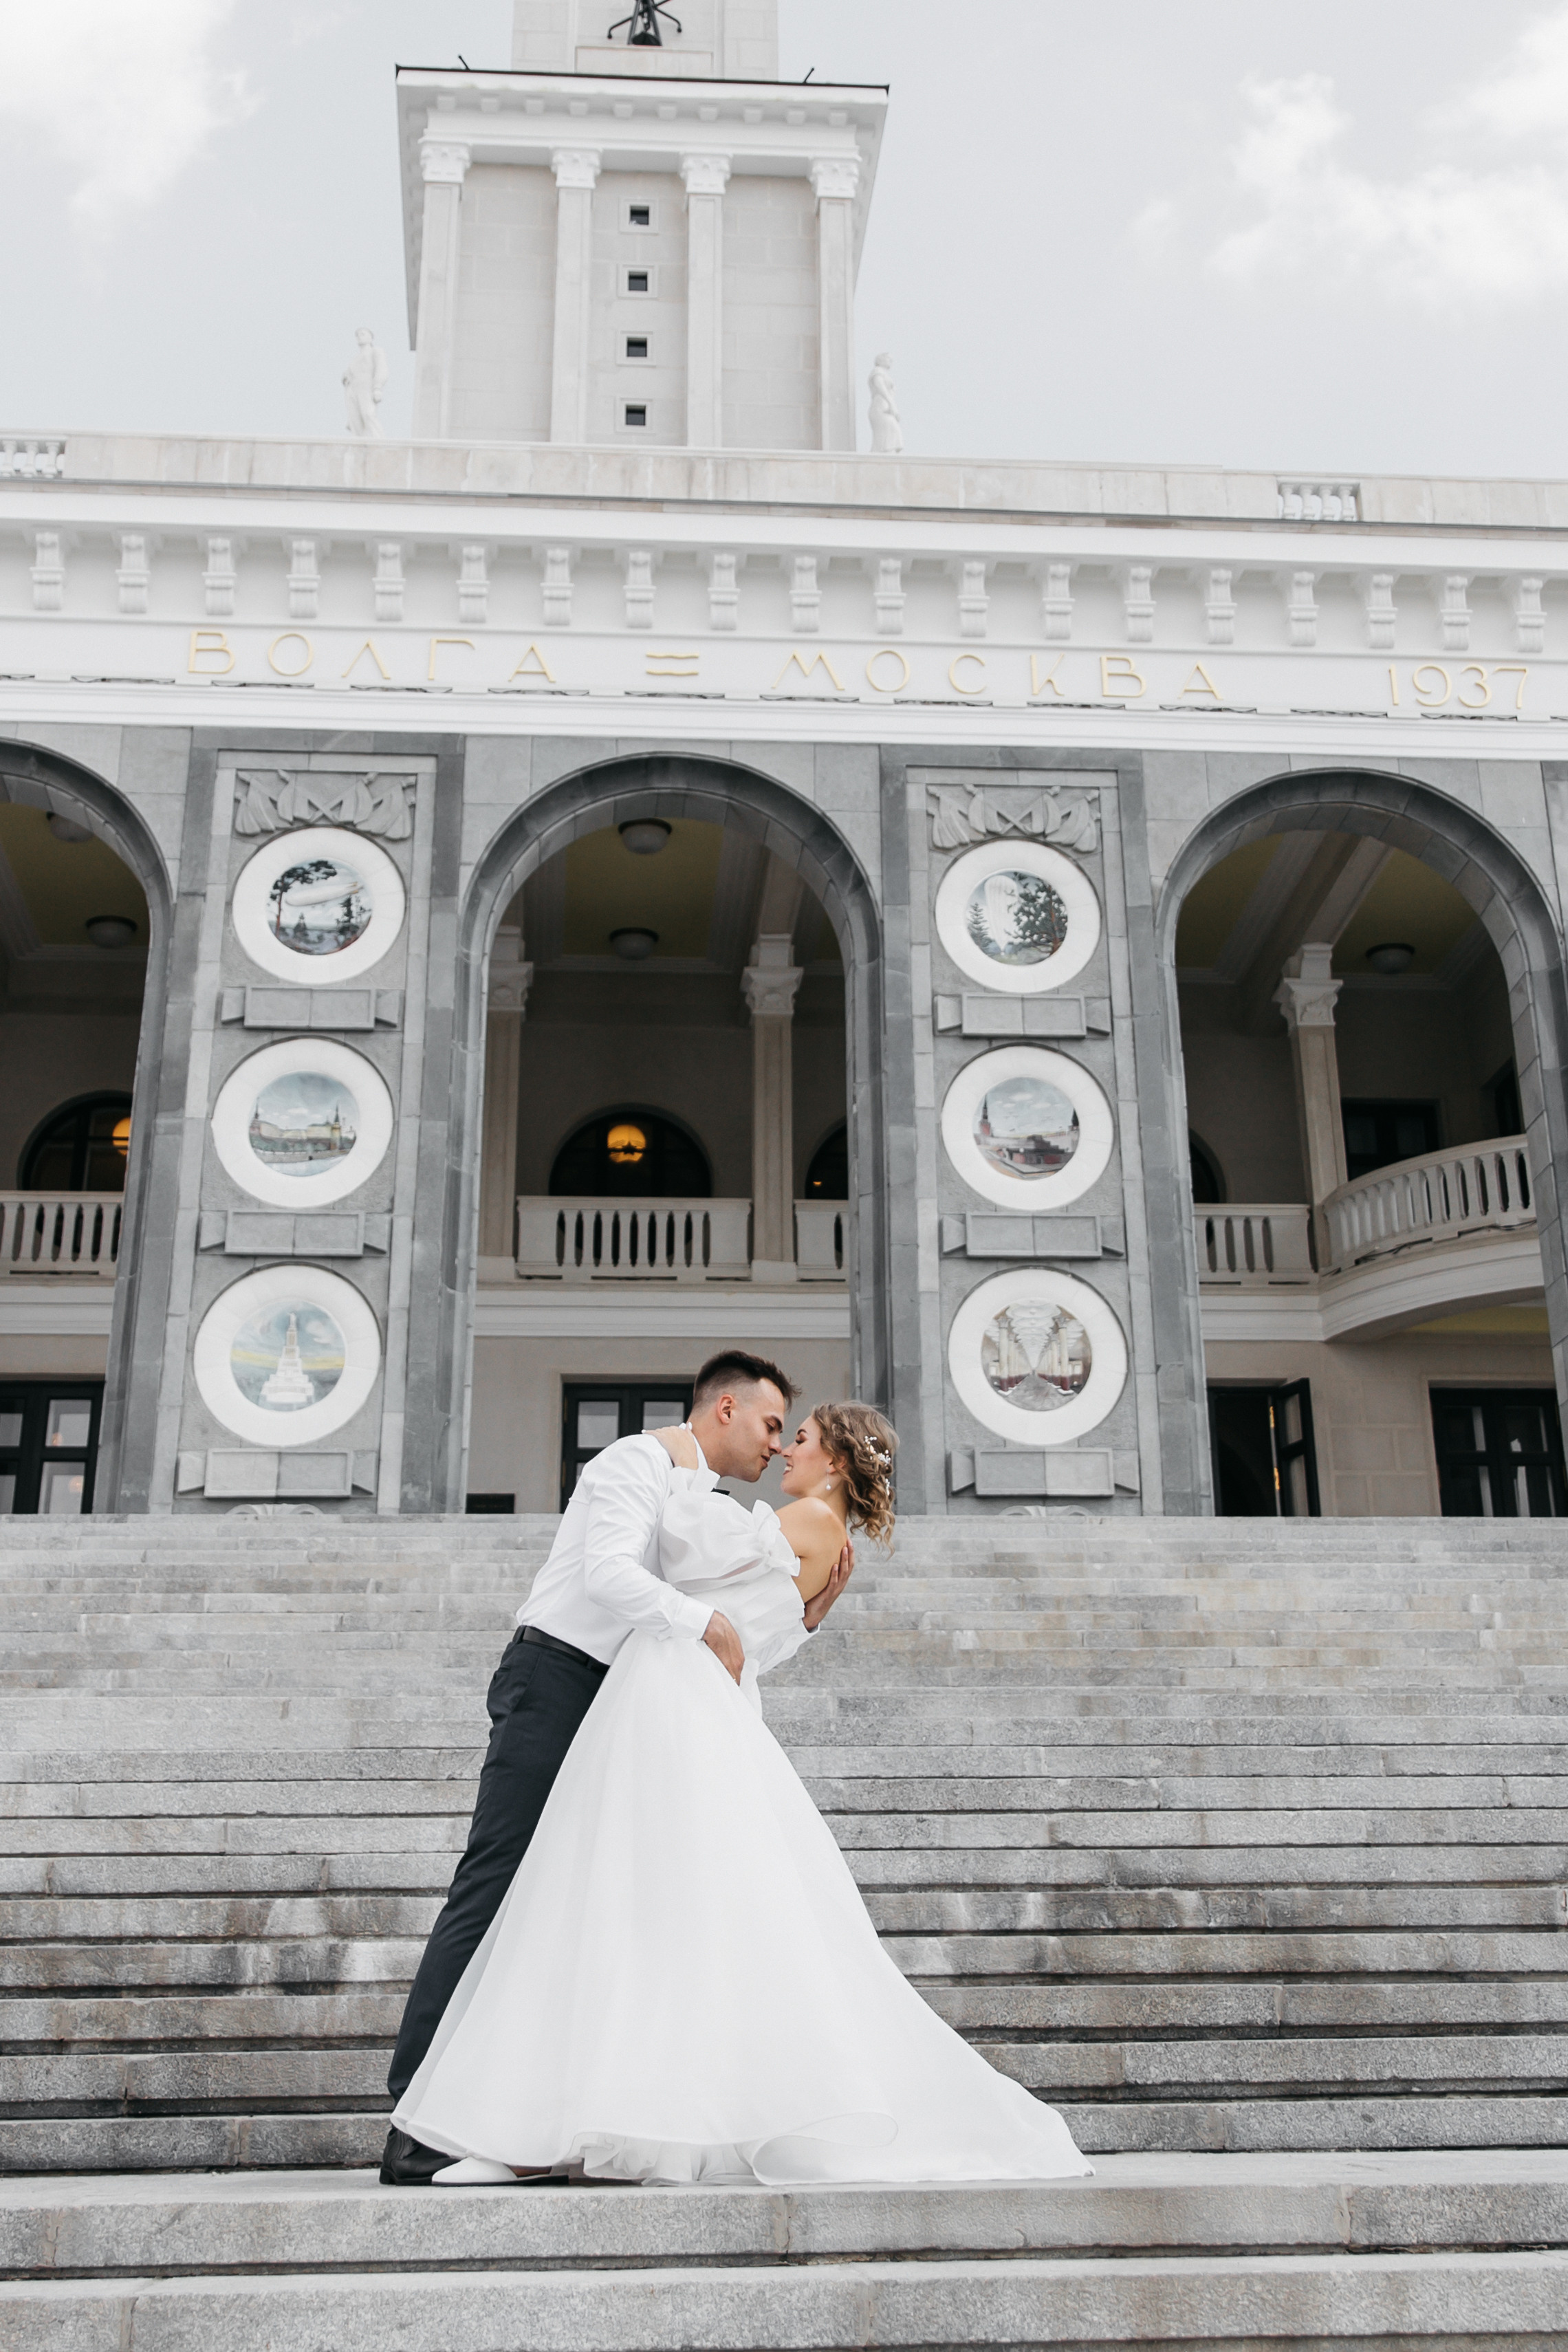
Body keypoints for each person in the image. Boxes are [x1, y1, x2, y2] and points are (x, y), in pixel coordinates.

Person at [387, 1401, 1091, 2189]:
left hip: (671, 1699)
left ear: (833, 1462)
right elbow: (743, 1632)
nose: (784, 1448)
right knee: (630, 1905)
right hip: (664, 1691)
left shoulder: (801, 1521)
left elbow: (687, 1554)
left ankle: (570, 2123)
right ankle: (563, 2117)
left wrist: (682, 1469)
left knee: (620, 1899)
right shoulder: (814, 1536)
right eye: (779, 1430)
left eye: (801, 1439)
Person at [379, 1350, 852, 2187]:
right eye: (773, 1425)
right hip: (558, 1674)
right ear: (726, 1410)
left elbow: (742, 1621)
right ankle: (420, 2117)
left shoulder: (702, 1498)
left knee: (583, 1907)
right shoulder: (635, 1459)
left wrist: (801, 1611)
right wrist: (701, 1618)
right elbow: (609, 1573)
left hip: (628, 1706)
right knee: (494, 1886)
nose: (779, 1448)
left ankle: (542, 2111)